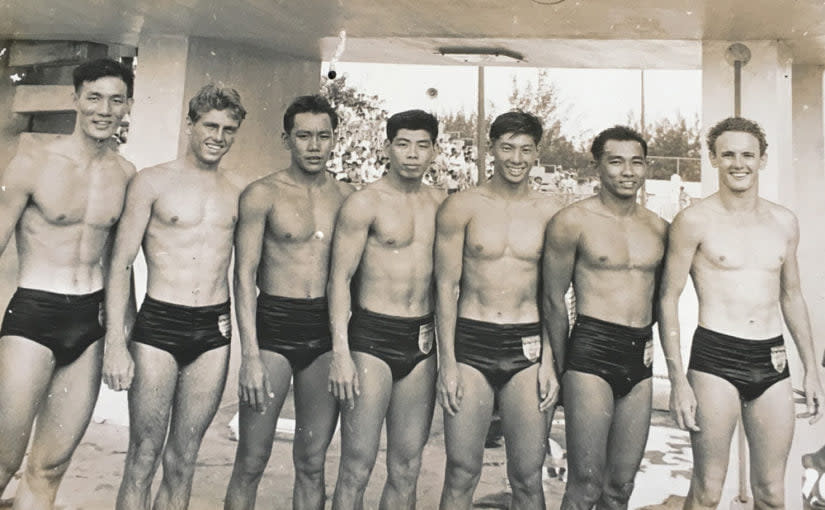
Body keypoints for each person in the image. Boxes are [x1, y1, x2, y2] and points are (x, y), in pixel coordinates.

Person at [659, 116, 824, 509]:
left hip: (772, 358)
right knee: (707, 490)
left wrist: (812, 370)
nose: (739, 163)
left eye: (748, 155)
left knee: (771, 492)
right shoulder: (694, 220)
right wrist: (678, 380)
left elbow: (792, 295)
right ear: (714, 158)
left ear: (762, 160)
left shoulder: (783, 222)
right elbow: (668, 298)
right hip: (716, 355)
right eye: (728, 154)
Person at [102, 84, 246, 510]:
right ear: (190, 125)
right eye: (210, 126)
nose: (218, 136)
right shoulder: (152, 182)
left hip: (213, 331)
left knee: (183, 461)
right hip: (159, 325)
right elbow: (119, 264)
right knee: (143, 456)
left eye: (228, 129)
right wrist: (115, 341)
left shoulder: (238, 191)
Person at [0, 58, 135, 509]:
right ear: (75, 99)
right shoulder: (33, 162)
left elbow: (120, 264)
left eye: (116, 100)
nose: (104, 109)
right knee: (4, 458)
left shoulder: (125, 174)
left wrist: (119, 339)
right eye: (94, 97)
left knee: (50, 467)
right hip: (33, 315)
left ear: (128, 106)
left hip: (90, 321)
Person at [224, 95, 352, 510]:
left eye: (323, 136)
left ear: (335, 139)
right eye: (303, 136)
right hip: (273, 329)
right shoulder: (262, 194)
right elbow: (243, 275)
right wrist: (250, 357)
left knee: (313, 463)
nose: (314, 146)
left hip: (323, 333)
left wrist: (343, 347)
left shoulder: (347, 197)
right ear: (287, 139)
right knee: (251, 459)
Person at [435, 111, 562, 510]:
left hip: (527, 347)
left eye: (526, 149)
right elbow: (444, 287)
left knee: (527, 476)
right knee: (461, 470)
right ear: (491, 149)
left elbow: (554, 295)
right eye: (507, 147)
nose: (516, 158)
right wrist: (448, 362)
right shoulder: (462, 206)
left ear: (537, 153)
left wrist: (549, 363)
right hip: (471, 341)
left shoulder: (550, 211)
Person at [544, 126, 667, 509]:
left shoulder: (659, 227)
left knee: (620, 487)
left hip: (640, 354)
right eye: (616, 162)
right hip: (591, 350)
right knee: (585, 484)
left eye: (636, 162)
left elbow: (661, 300)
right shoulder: (572, 221)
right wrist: (564, 366)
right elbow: (551, 298)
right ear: (596, 166)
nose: (627, 171)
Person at [327, 110, 444, 510]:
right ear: (387, 147)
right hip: (371, 338)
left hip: (421, 340)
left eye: (422, 145)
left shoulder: (441, 204)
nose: (412, 154)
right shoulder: (365, 203)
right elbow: (339, 279)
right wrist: (341, 353)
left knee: (407, 467)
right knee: (356, 466)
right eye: (403, 143)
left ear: (435, 151)